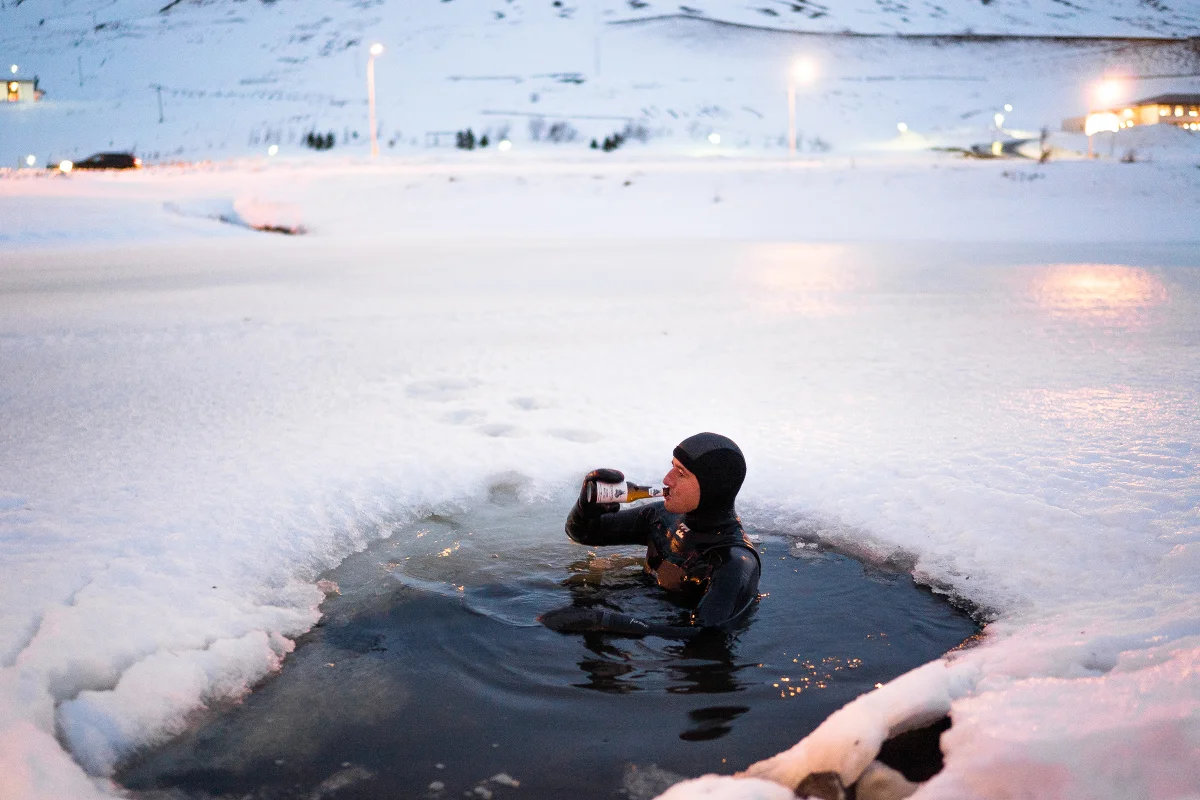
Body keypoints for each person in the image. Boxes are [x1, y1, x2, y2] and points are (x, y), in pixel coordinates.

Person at [539, 432, 761, 638]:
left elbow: (707, 634)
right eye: (672, 467)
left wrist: (607, 622)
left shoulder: (735, 563)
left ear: (712, 487)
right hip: (643, 604)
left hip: (672, 652)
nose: (667, 479)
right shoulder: (662, 516)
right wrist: (585, 509)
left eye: (681, 473)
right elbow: (585, 534)